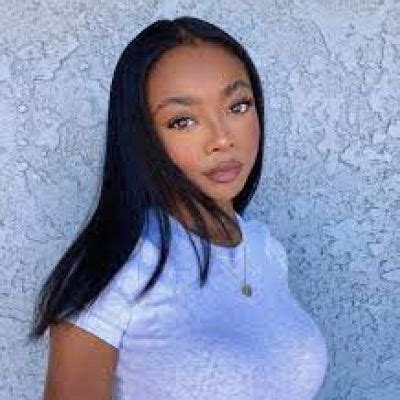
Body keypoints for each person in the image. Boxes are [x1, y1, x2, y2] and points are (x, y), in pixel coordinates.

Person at [28, 16, 328, 400]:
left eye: (238, 106)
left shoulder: (266, 250)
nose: (222, 139)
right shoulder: (117, 263)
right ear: (142, 137)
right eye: (183, 121)